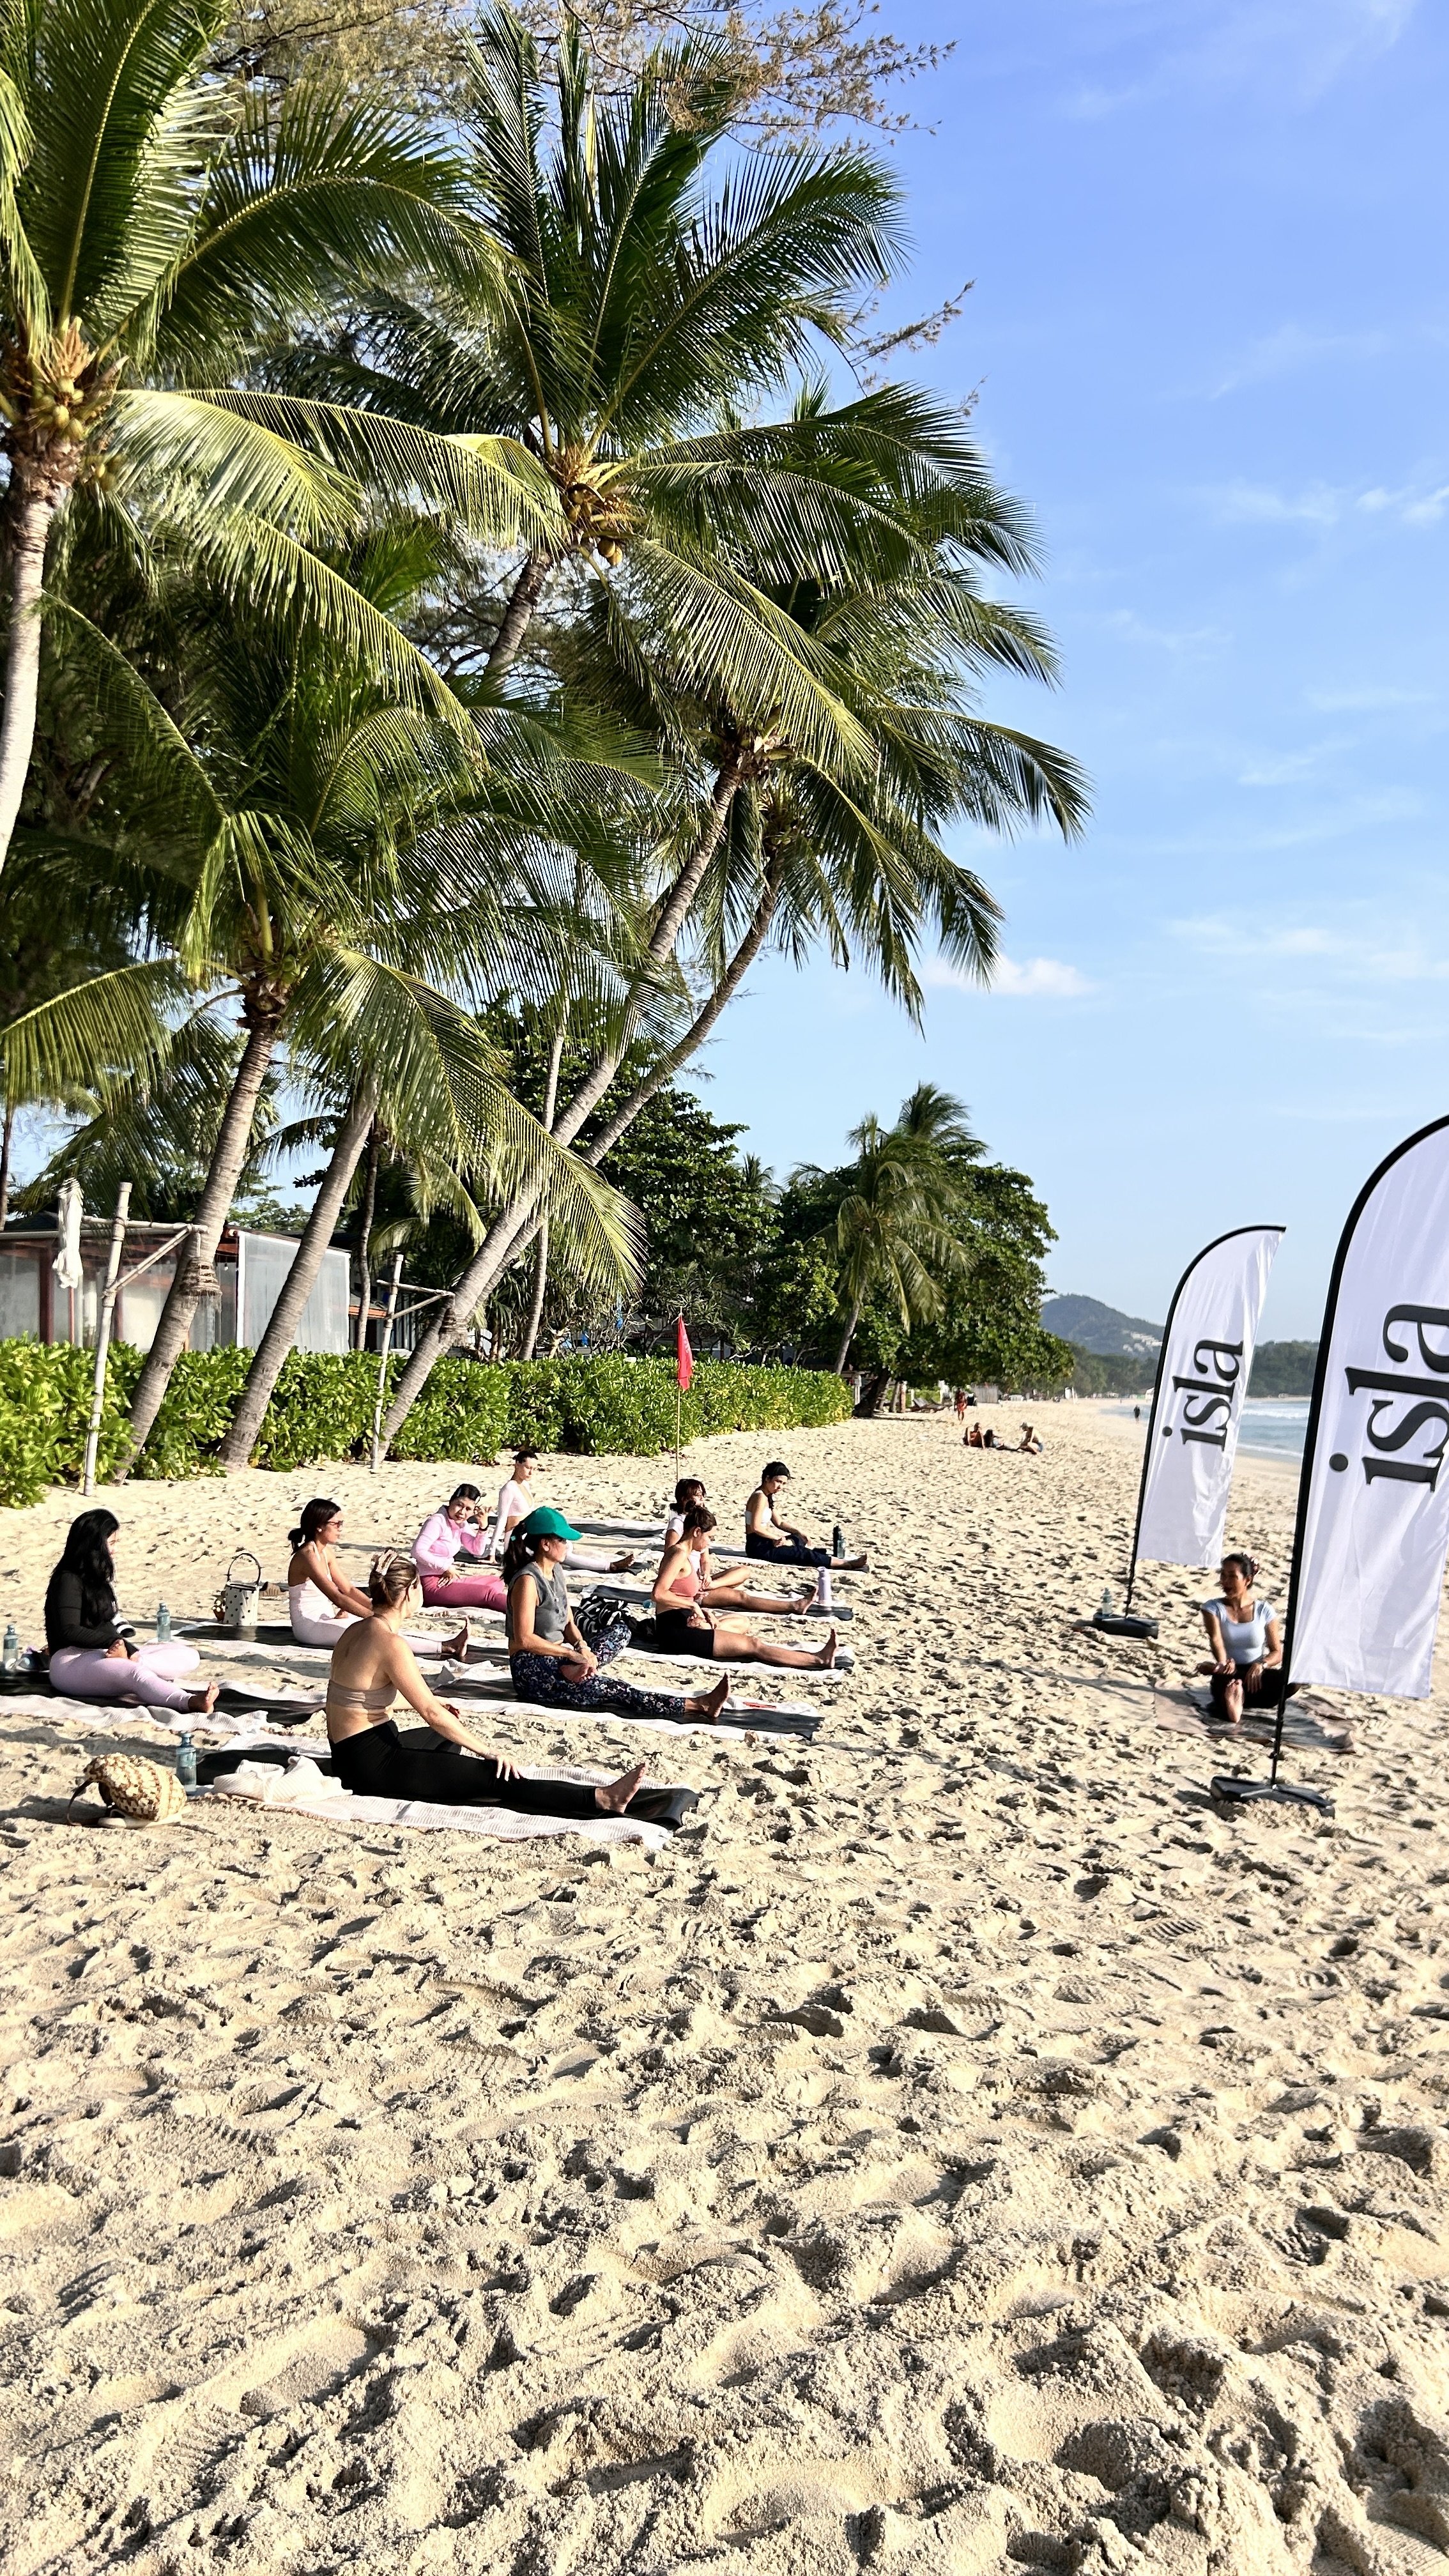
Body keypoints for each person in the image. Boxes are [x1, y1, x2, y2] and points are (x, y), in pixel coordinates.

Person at [325, 1553, 664, 1818]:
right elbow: (429, 1713)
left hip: (349, 1752)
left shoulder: (356, 1631)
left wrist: (439, 1706)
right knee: (496, 1775)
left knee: (446, 1737)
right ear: (412, 1591)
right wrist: (489, 1751)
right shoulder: (391, 1643)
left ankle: (440, 1779)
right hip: (371, 1764)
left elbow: (356, 1698)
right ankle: (601, 1798)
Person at [506, 1508, 730, 1725]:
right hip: (531, 1668)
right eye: (562, 1540)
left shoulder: (556, 1571)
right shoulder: (528, 1581)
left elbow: (568, 1621)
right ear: (545, 1544)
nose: (567, 1545)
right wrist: (571, 1654)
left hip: (560, 1658)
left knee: (621, 1631)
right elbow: (525, 1639)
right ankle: (698, 1705)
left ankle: (582, 1668)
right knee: (616, 1690)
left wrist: (582, 1648)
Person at [44, 1508, 218, 1715]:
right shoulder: (67, 1580)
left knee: (189, 1656)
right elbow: (68, 1630)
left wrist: (125, 1650)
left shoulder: (95, 1578)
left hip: (102, 1653)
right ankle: (189, 1702)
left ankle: (131, 1663)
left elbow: (104, 1624)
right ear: (94, 1545)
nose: (114, 1550)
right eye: (111, 1544)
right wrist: (115, 1642)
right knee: (135, 1673)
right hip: (70, 1662)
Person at [648, 1510, 838, 1667]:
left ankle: (709, 1629)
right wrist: (694, 1606)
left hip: (685, 1620)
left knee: (742, 1623)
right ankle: (819, 1659)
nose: (709, 1543)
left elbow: (679, 1594)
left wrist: (703, 1613)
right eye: (709, 1537)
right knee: (754, 1645)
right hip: (674, 1632)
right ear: (697, 1532)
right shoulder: (678, 1554)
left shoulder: (685, 1553)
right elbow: (658, 1594)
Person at [289, 1498, 466, 1657]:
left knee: (384, 1625)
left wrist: (376, 1608)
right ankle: (447, 1647)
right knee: (378, 1632)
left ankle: (442, 1643)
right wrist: (373, 1616)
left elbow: (348, 1589)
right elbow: (336, 1597)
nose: (340, 1529)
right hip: (309, 1627)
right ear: (319, 1526)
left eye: (341, 1523)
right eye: (336, 1524)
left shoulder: (326, 1552)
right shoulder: (307, 1556)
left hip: (325, 1617)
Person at [664, 1481, 811, 1613]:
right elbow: (670, 1563)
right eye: (698, 1496)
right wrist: (692, 1587)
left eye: (703, 1495)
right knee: (742, 1597)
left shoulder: (698, 1522)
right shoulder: (678, 1525)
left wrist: (706, 1575)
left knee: (743, 1571)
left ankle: (712, 1585)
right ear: (684, 1499)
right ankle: (794, 1606)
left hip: (698, 1580)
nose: (702, 1499)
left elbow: (705, 1559)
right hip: (687, 1588)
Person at [486, 1450, 634, 1574]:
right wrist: (492, 1553)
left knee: (566, 1545)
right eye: (528, 1468)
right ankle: (610, 1566)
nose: (531, 1472)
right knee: (560, 1553)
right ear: (517, 1464)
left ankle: (604, 1563)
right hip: (516, 1539)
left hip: (530, 1533)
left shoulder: (525, 1485)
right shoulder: (509, 1488)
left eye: (534, 1469)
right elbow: (502, 1520)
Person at [1199, 1553, 1291, 1724]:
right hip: (1229, 1672)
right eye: (1223, 1575)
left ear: (1247, 1580)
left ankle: (1240, 1696)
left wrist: (1261, 1665)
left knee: (1294, 1680)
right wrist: (1223, 1663)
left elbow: (1277, 1652)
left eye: (1232, 1577)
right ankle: (1234, 1695)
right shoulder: (1212, 1608)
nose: (1225, 1582)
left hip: (1256, 1676)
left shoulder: (1264, 1610)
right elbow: (1216, 1639)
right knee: (1226, 1681)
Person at [744, 1463, 868, 1570]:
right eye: (778, 1482)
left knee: (798, 1538)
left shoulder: (767, 1496)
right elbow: (756, 1527)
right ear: (767, 1479)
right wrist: (777, 1538)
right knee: (801, 1553)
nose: (780, 1487)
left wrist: (799, 1532)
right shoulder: (759, 1497)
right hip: (759, 1548)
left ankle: (802, 1549)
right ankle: (846, 1564)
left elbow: (779, 1523)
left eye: (784, 1484)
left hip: (767, 1543)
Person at [412, 1485, 507, 1613]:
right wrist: (445, 1567)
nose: (462, 1512)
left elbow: (477, 1551)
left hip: (449, 1578)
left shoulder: (461, 1523)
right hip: (430, 1582)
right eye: (459, 1505)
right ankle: (526, 1613)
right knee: (489, 1593)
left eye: (468, 1509)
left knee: (497, 1582)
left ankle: (480, 1600)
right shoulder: (437, 1521)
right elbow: (417, 1551)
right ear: (451, 1501)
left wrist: (483, 1527)